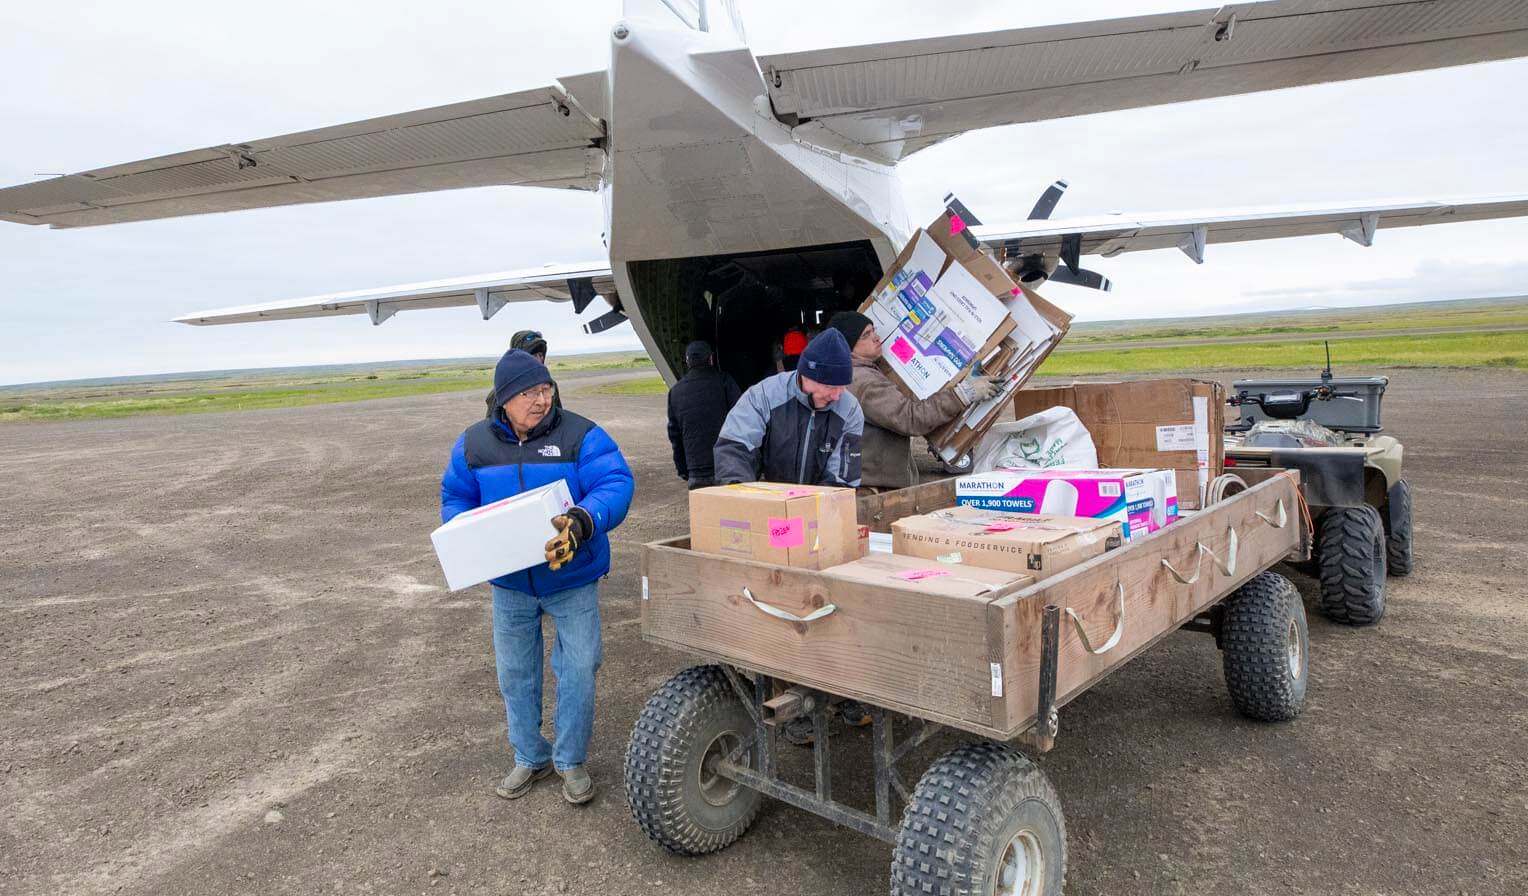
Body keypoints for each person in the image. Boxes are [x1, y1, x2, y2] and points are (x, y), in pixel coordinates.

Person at [442, 349, 634, 805]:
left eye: (545, 388)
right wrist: (466, 531)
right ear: (504, 399)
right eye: (529, 392)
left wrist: (585, 519)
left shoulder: (582, 435)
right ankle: (530, 755)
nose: (541, 399)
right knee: (515, 675)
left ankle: (570, 760)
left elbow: (616, 483)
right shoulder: (473, 445)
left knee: (580, 669)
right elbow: (455, 495)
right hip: (510, 586)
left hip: (572, 579)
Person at [827, 311, 999, 492]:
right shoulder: (864, 382)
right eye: (866, 335)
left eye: (873, 331)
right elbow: (910, 419)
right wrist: (963, 394)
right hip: (872, 488)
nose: (876, 338)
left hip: (865, 480)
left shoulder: (853, 373)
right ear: (848, 346)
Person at [714, 328, 863, 488]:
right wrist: (740, 493)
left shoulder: (850, 409)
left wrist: (814, 506)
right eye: (829, 386)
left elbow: (842, 477)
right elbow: (735, 446)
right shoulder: (765, 395)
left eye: (842, 386)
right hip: (767, 498)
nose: (836, 396)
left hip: (818, 503)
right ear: (805, 374)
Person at [666, 341, 742, 490]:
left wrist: (683, 470)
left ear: (688, 362)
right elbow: (742, 419)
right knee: (731, 513)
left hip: (695, 471)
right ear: (711, 359)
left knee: (704, 512)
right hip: (726, 466)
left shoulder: (675, 391)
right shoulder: (724, 381)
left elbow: (675, 436)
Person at [485, 330, 560, 416]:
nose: (538, 360)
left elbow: (559, 418)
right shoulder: (502, 392)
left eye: (540, 355)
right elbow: (492, 426)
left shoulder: (550, 386)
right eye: (532, 355)